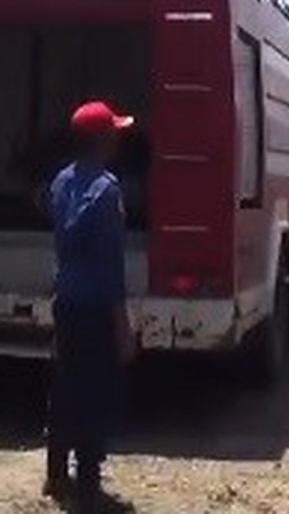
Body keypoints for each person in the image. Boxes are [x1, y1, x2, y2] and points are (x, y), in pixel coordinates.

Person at [45, 101, 136, 510]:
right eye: (113, 131)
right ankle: (87, 487)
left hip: (65, 300)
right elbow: (111, 268)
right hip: (96, 307)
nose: (119, 137)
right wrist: (123, 327)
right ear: (102, 139)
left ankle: (55, 474)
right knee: (94, 393)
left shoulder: (61, 182)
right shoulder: (108, 190)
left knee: (64, 385)